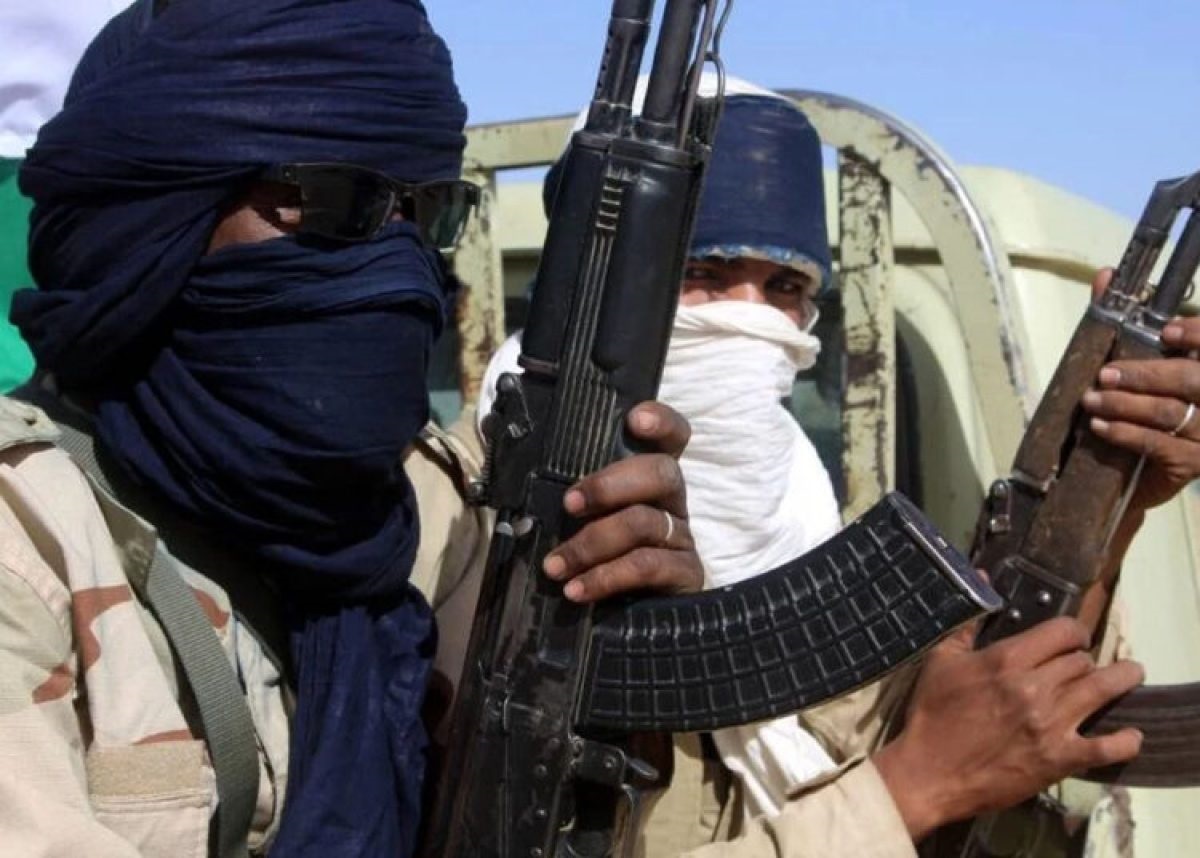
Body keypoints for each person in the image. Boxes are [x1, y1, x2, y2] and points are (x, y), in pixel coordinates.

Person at [0, 2, 703, 856]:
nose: (398, 262)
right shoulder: (30, 544)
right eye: (333, 201)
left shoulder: (429, 517)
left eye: (427, 211)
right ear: (147, 222)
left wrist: (611, 659)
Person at [425, 82, 1200, 857]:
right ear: (594, 286)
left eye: (785, 287)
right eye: (704, 271)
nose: (749, 315)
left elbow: (996, 739)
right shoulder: (446, 519)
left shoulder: (802, 528)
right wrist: (909, 792)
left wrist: (1107, 489)